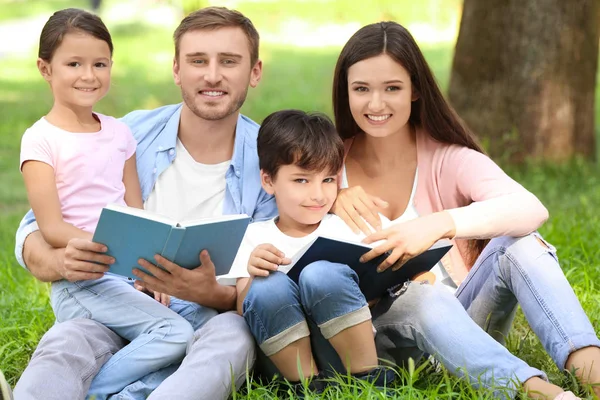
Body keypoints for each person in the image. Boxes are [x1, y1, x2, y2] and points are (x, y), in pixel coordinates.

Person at [13, 7, 276, 400]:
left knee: (234, 340)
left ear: (254, 72)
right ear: (176, 69)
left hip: (208, 315)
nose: (212, 75)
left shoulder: (270, 165)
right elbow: (35, 225)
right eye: (198, 60)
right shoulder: (129, 132)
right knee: (67, 343)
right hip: (117, 297)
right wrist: (57, 263)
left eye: (229, 61)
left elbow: (264, 286)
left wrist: (210, 293)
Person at [329, 21, 600, 399]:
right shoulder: (325, 165)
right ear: (346, 92)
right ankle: (544, 395)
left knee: (519, 244)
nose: (376, 104)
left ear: (415, 91)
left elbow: (530, 208)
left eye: (392, 88)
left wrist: (441, 224)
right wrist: (329, 197)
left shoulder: (446, 159)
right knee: (420, 297)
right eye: (361, 89)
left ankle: (595, 376)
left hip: (465, 326)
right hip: (380, 345)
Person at [19, 9, 200, 399]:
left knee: (188, 332)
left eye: (99, 64)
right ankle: (95, 392)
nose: (89, 75)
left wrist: (147, 272)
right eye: (74, 64)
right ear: (45, 68)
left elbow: (135, 213)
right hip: (81, 281)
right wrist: (113, 253)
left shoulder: (119, 133)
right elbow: (50, 228)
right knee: (175, 334)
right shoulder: (40, 140)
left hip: (124, 279)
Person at [227, 110, 397, 394]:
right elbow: (244, 309)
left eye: (328, 180)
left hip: (346, 351)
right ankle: (306, 388)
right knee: (268, 285)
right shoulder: (254, 237)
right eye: (302, 181)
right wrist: (252, 272)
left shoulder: (347, 226)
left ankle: (368, 380)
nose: (318, 195)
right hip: (286, 362)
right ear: (268, 181)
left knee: (321, 274)